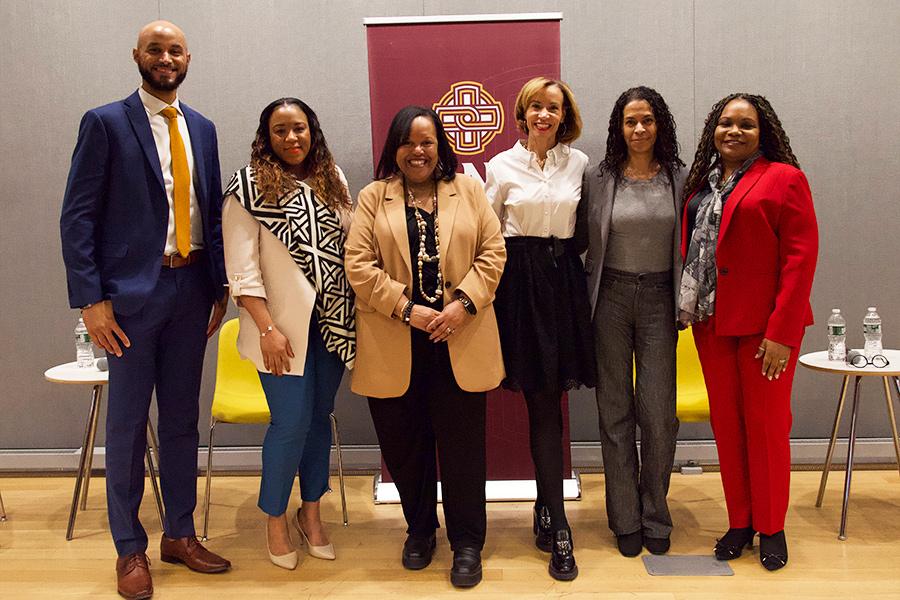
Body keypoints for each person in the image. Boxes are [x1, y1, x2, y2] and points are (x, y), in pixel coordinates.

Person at [59, 20, 230, 600]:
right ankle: (129, 549)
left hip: (192, 292)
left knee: (181, 419)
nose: (165, 57)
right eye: (155, 49)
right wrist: (91, 299)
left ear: (189, 57)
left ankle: (179, 534)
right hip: (130, 299)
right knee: (129, 427)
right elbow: (77, 216)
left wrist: (221, 285)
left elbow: (209, 209)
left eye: (175, 49)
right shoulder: (106, 122)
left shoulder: (202, 128)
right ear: (137, 55)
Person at [344, 106, 505, 588]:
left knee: (462, 449)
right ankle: (419, 531)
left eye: (427, 141)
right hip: (396, 340)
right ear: (395, 149)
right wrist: (406, 308)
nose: (418, 151)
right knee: (404, 445)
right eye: (409, 142)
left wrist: (463, 304)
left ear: (441, 147)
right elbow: (358, 264)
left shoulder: (469, 190)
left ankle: (468, 541)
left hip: (459, 337)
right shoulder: (374, 197)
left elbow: (494, 252)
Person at [678, 93, 818, 571]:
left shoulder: (785, 179)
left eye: (746, 124)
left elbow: (800, 260)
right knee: (728, 428)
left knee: (767, 428)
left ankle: (773, 526)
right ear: (712, 131)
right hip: (712, 323)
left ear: (764, 133)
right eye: (725, 123)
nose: (733, 131)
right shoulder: (702, 182)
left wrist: (781, 333)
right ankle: (741, 520)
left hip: (766, 330)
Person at [222, 98, 355, 570]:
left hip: (332, 325)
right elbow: (242, 271)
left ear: (312, 130)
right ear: (266, 136)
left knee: (319, 419)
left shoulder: (332, 179)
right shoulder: (246, 188)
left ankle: (311, 512)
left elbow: (349, 244)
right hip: (279, 332)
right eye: (280, 131)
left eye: (299, 128)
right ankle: (274, 518)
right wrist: (267, 329)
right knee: (290, 423)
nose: (291, 138)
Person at [484, 76, 594, 581]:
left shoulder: (580, 163)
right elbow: (486, 233)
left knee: (552, 406)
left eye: (552, 107)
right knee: (539, 403)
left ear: (563, 114)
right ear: (522, 113)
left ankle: (553, 513)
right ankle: (552, 512)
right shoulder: (500, 165)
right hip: (518, 289)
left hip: (563, 286)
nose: (543, 115)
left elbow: (586, 233)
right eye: (535, 107)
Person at [579, 86, 686, 558]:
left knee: (659, 415)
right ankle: (624, 517)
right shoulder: (600, 178)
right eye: (630, 122)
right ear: (618, 128)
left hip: (661, 298)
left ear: (659, 123)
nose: (639, 129)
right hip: (611, 300)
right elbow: (577, 237)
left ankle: (655, 514)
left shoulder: (682, 178)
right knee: (615, 412)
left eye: (646, 120)